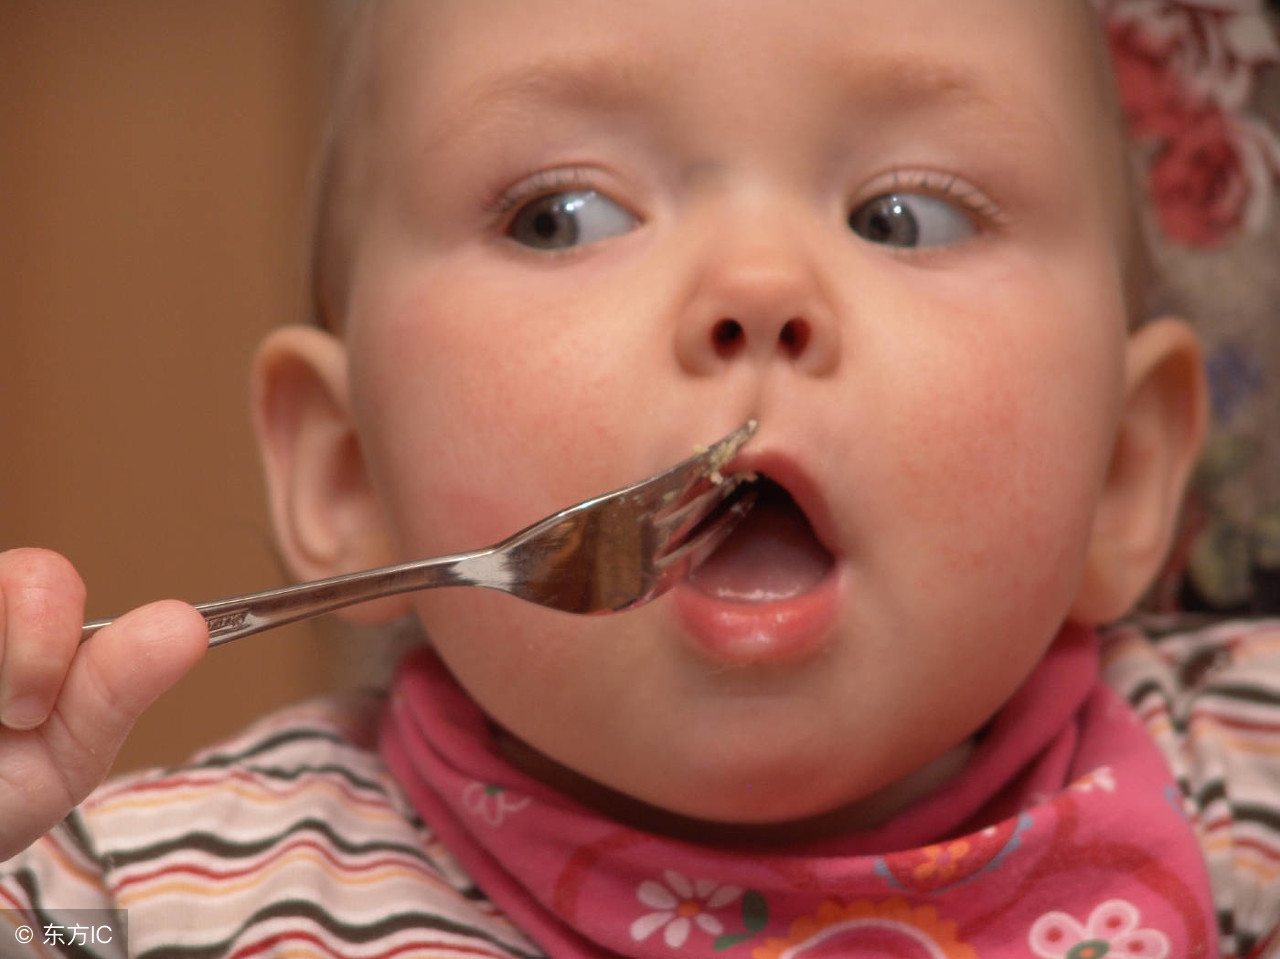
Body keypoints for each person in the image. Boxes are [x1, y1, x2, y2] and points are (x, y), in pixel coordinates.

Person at [2, 0, 1277, 955]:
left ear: (1122, 469)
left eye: (905, 216)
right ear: (349, 475)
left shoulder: (1242, 789)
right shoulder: (138, 892)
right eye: (561, 214)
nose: (755, 289)